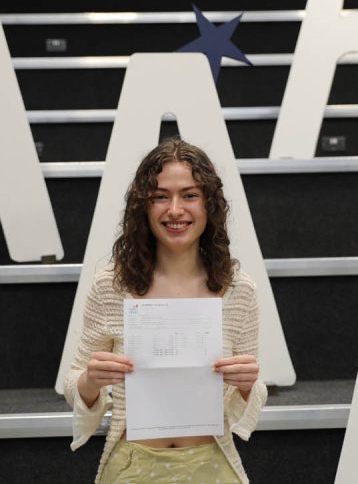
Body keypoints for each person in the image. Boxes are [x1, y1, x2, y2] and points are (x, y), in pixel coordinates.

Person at [63, 137, 267, 484]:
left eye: (189, 195)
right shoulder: (111, 286)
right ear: (143, 206)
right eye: (160, 196)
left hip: (212, 465)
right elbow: (75, 382)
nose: (175, 210)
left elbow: (249, 397)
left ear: (209, 205)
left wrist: (249, 385)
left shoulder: (238, 289)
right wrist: (90, 381)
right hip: (132, 466)